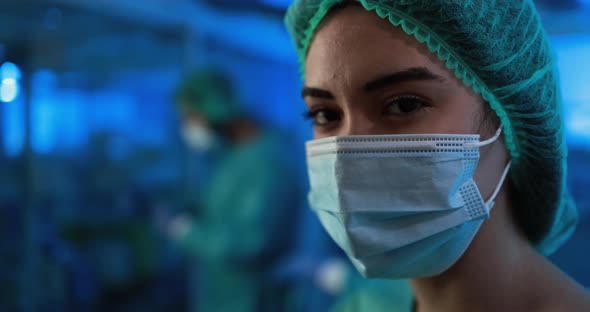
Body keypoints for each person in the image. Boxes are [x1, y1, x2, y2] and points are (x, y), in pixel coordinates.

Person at [284, 0, 590, 311]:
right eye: (325, 114)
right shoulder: (367, 304)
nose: (344, 164)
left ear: (513, 119)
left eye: (404, 105)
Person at [167, 70, 300, 312]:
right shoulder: (230, 155)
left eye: (191, 118)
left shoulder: (268, 161)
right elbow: (215, 205)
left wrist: (187, 231)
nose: (187, 128)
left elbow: (251, 243)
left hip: (252, 299)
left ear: (216, 114)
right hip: (222, 295)